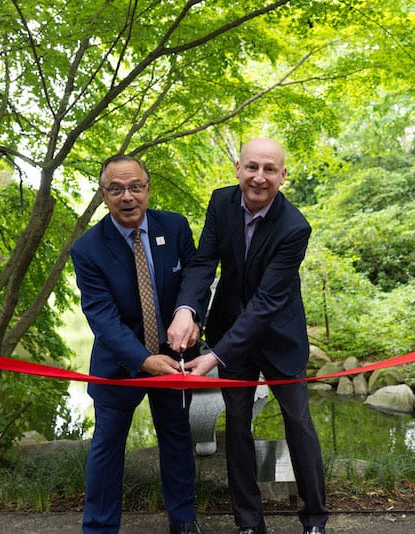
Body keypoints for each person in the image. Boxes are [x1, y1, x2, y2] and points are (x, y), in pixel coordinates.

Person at [167, 138, 328, 534]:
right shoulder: (220, 203)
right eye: (252, 167)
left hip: (278, 334)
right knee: (236, 425)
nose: (259, 177)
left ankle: (314, 519)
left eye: (269, 169)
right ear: (238, 169)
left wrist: (214, 356)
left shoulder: (295, 227)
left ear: (282, 176)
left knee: (298, 422)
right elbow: (204, 263)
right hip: (228, 328)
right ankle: (249, 523)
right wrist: (187, 309)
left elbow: (266, 302)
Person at [71, 155, 203, 534]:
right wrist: (144, 360)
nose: (127, 197)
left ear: (147, 188)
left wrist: (193, 316)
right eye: (116, 189)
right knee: (107, 447)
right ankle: (99, 528)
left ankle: (184, 521)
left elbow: (195, 280)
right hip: (120, 363)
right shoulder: (88, 249)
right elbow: (103, 319)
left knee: (177, 439)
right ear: (103, 194)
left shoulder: (174, 227)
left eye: (135, 187)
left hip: (176, 358)